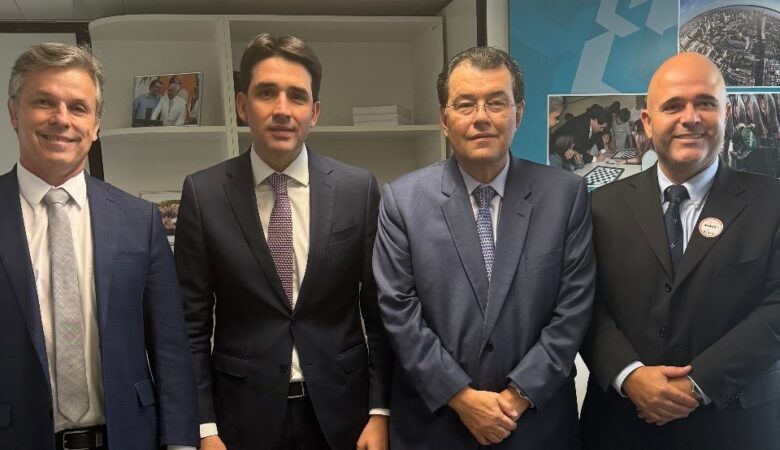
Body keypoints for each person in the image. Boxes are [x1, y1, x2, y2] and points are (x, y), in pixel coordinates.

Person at [175, 33, 393, 450]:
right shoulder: (204, 195)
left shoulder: (357, 189)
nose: (281, 109)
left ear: (314, 112)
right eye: (266, 93)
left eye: (296, 96)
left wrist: (379, 411)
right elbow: (191, 325)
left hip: (344, 415)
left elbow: (380, 313)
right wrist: (204, 427)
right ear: (243, 106)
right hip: (241, 418)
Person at [373, 46, 594, 450]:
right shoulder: (402, 201)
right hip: (437, 426)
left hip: (537, 426)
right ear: (444, 119)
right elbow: (400, 314)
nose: (481, 117)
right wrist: (461, 398)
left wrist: (517, 397)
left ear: (518, 113)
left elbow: (573, 310)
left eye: (496, 102)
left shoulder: (565, 195)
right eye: (465, 104)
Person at [0, 43, 198, 450]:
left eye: (78, 107)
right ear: (14, 112)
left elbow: (171, 349)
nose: (61, 119)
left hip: (129, 438)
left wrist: (181, 443)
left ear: (95, 126)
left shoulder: (140, 220)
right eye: (43, 102)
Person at [580, 52, 780, 450]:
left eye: (705, 103)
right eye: (673, 106)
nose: (690, 118)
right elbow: (582, 304)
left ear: (726, 114)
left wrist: (698, 383)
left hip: (735, 427)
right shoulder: (599, 205)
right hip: (620, 427)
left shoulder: (771, 202)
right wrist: (629, 374)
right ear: (647, 121)